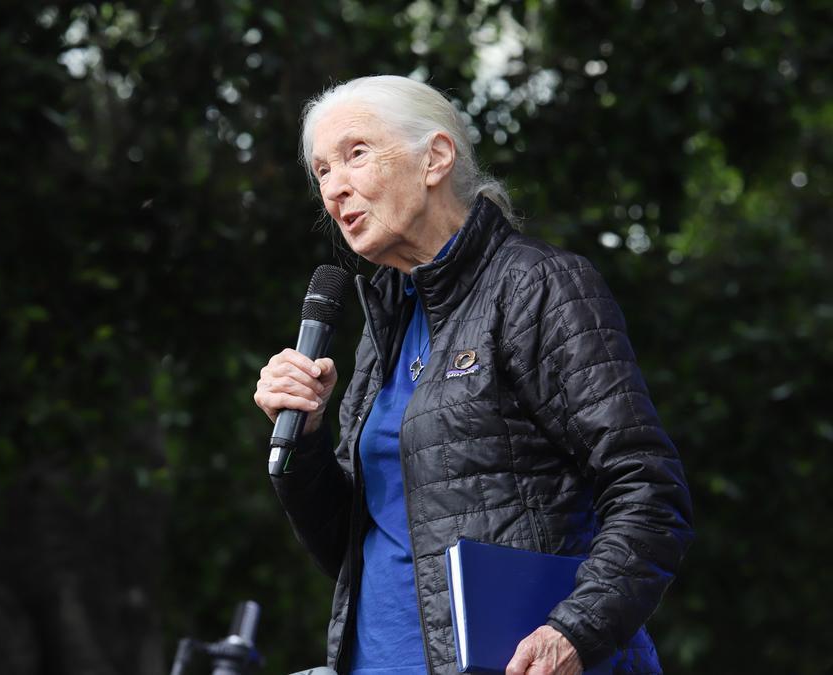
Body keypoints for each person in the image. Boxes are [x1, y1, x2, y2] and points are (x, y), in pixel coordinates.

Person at [253, 76, 694, 675]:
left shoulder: (538, 286)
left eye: (356, 154)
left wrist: (576, 632)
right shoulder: (386, 320)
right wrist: (303, 441)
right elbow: (352, 549)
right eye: (323, 171)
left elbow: (649, 489)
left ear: (435, 157)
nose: (336, 188)